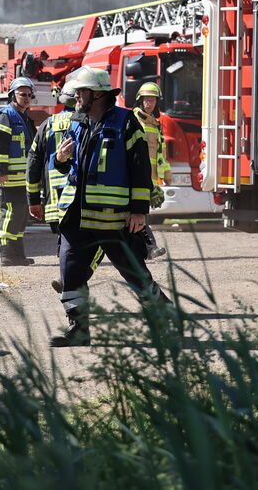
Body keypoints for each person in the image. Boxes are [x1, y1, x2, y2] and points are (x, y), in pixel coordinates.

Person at [48, 67, 169, 347]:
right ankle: (79, 328)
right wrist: (61, 158)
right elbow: (67, 165)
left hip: (114, 218)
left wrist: (140, 210)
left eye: (82, 92)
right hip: (76, 216)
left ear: (98, 93)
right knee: (70, 272)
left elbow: (140, 168)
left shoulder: (126, 122)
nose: (76, 97)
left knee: (135, 273)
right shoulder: (77, 123)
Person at [29, 76, 81, 293]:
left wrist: (33, 199)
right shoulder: (87, 122)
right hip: (81, 193)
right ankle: (71, 280)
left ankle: (67, 278)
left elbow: (34, 161)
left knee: (64, 240)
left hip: (55, 197)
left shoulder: (48, 124)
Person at [0, 76, 36, 266]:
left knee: (22, 215)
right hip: (9, 177)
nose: (26, 97)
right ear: (12, 95)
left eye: (29, 95)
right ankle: (6, 253)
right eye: (22, 94)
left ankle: (17, 255)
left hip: (21, 178)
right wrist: (0, 170)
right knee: (11, 213)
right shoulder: (6, 115)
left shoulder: (23, 117)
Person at [133, 82, 172, 259]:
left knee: (139, 214)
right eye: (147, 100)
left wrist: (166, 174)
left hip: (149, 178)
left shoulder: (156, 124)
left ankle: (144, 249)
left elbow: (160, 153)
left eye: (153, 100)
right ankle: (150, 247)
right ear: (140, 100)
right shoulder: (132, 120)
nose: (150, 104)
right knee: (140, 214)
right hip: (135, 177)